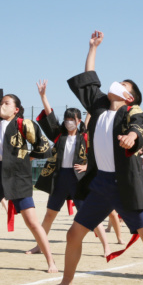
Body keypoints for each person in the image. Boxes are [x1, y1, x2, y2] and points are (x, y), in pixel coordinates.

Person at [42, 30, 143, 285]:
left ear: (129, 97)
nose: (115, 85)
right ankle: (66, 283)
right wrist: (93, 48)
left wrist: (131, 137)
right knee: (73, 234)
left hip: (126, 186)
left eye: (123, 85)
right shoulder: (99, 107)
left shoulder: (131, 112)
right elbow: (89, 80)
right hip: (100, 185)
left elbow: (138, 128)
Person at [0, 52, 56, 279]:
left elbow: (44, 147)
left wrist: (27, 159)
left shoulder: (23, 124)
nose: (1, 104)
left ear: (16, 108)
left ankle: (50, 260)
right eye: (1, 102)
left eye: (6, 102)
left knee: (32, 222)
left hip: (17, 175)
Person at [28, 79, 112, 257]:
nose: (68, 123)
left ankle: (106, 246)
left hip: (78, 180)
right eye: (66, 119)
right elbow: (50, 116)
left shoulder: (86, 136)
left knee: (90, 214)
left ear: (78, 120)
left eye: (71, 120)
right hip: (60, 179)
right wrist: (43, 96)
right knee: (49, 215)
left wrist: (87, 166)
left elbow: (98, 154)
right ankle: (39, 245)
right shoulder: (59, 135)